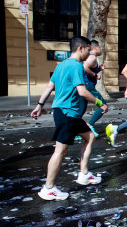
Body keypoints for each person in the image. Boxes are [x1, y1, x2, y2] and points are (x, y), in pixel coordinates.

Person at [30, 36, 108, 200]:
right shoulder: (75, 66)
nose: (89, 52)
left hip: (64, 112)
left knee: (90, 136)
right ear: (81, 48)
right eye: (88, 48)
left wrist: (39, 105)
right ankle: (48, 188)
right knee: (60, 151)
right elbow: (82, 91)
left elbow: (50, 87)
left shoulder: (61, 65)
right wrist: (100, 103)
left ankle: (84, 173)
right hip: (67, 113)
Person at [81, 40, 106, 136]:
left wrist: (99, 69)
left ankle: (77, 132)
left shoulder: (89, 57)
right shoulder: (92, 57)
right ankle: (89, 125)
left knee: (81, 110)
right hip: (88, 86)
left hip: (84, 85)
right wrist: (95, 75)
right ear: (96, 48)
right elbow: (85, 68)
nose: (100, 49)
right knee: (103, 106)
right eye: (99, 47)